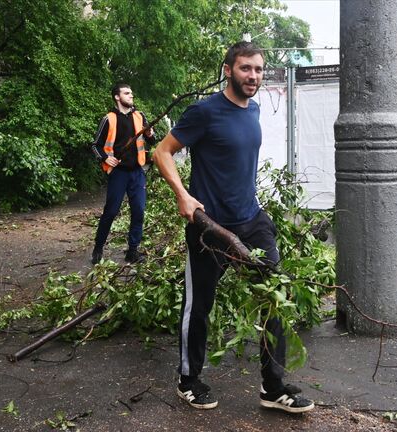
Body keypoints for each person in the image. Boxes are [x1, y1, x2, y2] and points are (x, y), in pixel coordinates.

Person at [152, 42, 314, 413]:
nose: (253, 76)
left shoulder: (253, 109)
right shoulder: (205, 112)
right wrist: (183, 196)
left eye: (258, 69)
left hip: (252, 220)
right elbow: (162, 152)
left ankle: (273, 388)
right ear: (228, 70)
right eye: (245, 69)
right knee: (200, 304)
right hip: (209, 224)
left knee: (274, 295)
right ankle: (188, 379)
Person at [91, 83, 155, 264]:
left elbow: (151, 140)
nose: (131, 96)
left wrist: (150, 133)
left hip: (137, 172)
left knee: (139, 212)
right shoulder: (108, 119)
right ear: (117, 97)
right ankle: (98, 246)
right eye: (127, 93)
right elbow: (95, 146)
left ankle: (133, 251)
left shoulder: (140, 116)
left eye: (132, 93)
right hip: (118, 173)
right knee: (111, 212)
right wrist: (104, 158)